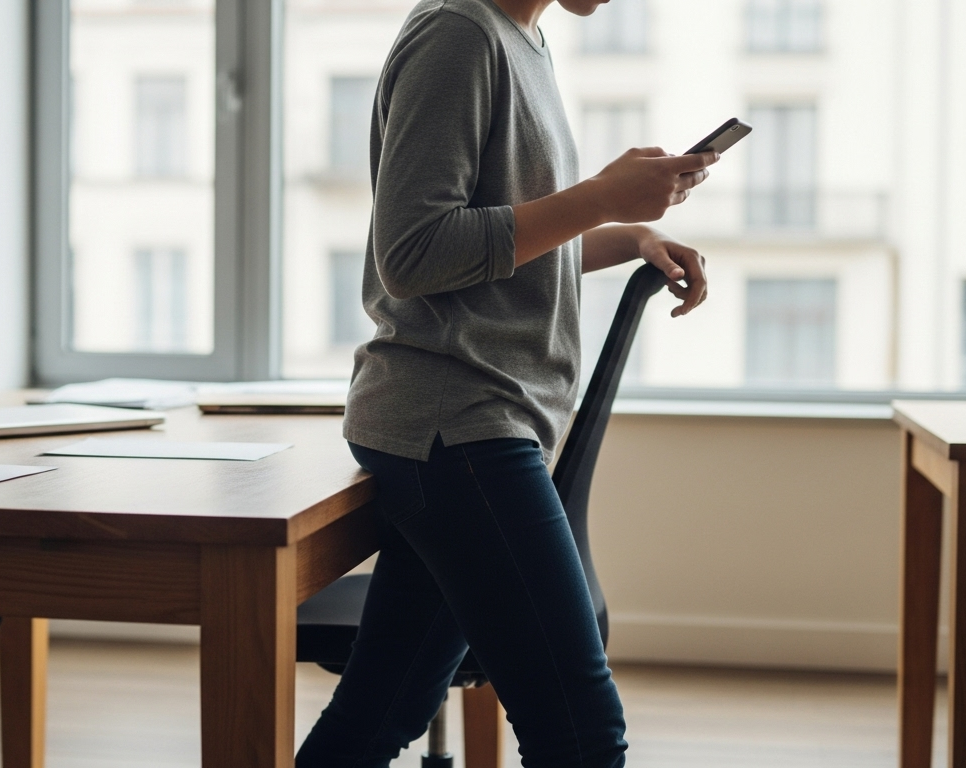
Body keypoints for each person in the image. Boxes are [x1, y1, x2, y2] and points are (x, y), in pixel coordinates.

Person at [295, 0, 717, 763]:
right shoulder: (458, 34)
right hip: (456, 424)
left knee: (380, 714)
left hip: (478, 423)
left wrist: (629, 232)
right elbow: (416, 253)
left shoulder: (521, 38)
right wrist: (601, 197)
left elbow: (502, 240)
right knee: (582, 734)